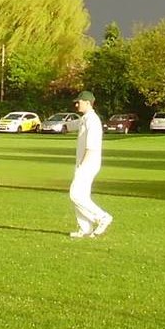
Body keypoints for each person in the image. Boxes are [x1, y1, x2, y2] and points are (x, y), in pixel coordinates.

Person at [68, 90, 112, 238]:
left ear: (87, 103)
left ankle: (102, 217)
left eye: (79, 102)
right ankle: (85, 228)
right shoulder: (85, 118)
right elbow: (71, 125)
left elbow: (91, 146)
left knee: (75, 194)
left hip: (88, 163)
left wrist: (83, 164)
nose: (76, 104)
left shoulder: (92, 120)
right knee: (82, 195)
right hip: (83, 163)